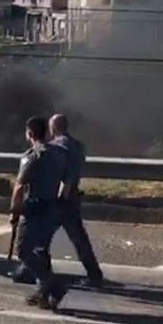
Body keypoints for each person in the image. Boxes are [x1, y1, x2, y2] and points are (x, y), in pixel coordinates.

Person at [9, 116, 70, 310]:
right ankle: (44, 294)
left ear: (30, 134)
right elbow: (68, 182)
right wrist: (60, 202)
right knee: (40, 251)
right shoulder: (60, 153)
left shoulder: (32, 155)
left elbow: (19, 186)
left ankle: (52, 284)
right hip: (53, 208)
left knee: (24, 251)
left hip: (35, 208)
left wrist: (14, 211)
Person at [47, 114, 104, 287]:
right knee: (79, 238)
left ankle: (36, 270)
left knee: (40, 236)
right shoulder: (79, 146)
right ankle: (94, 274)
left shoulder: (55, 147)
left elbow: (60, 174)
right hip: (72, 198)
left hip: (58, 198)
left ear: (54, 127)